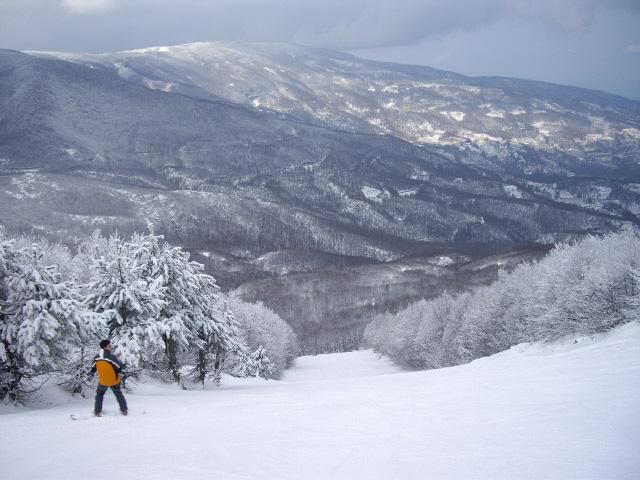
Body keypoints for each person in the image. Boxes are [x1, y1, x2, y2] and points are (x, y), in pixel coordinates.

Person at [89, 339, 128, 417]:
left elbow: (93, 367)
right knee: (118, 394)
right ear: (105, 347)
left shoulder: (97, 357)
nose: (111, 346)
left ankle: (97, 411)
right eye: (109, 345)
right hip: (114, 380)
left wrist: (91, 373)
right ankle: (124, 410)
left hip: (103, 381)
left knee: (99, 395)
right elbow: (119, 368)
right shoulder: (111, 357)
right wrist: (123, 366)